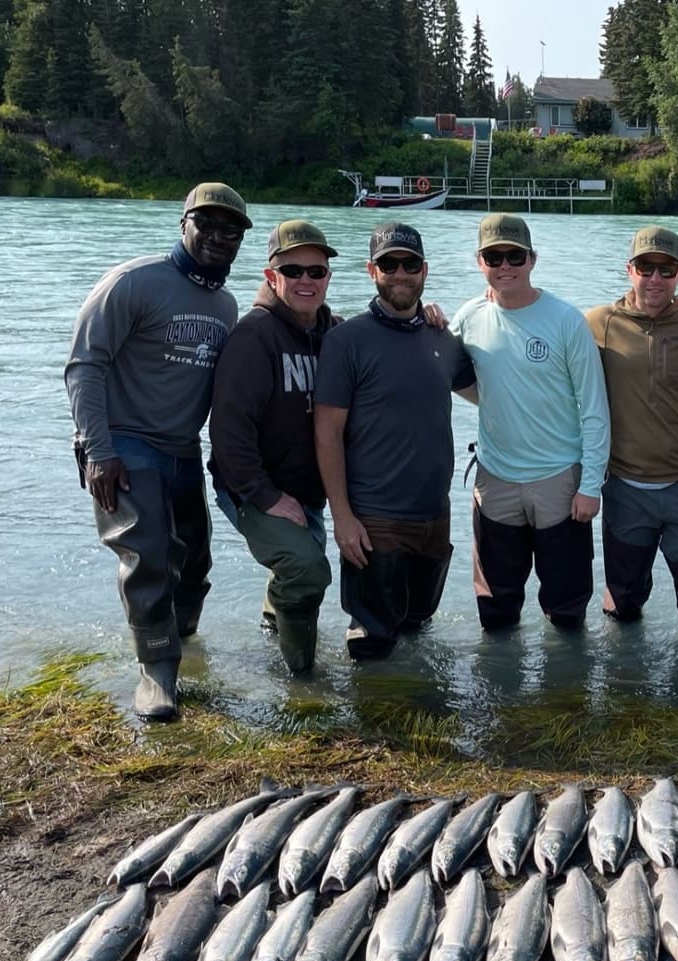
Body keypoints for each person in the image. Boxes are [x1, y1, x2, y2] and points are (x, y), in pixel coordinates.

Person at [64, 181, 250, 721]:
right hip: (122, 442)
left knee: (194, 560)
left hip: (182, 447)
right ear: (183, 225)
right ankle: (157, 671)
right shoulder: (134, 282)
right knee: (147, 556)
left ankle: (183, 640)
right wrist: (97, 450)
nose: (218, 236)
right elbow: (83, 365)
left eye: (230, 229)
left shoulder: (225, 303)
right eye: (207, 224)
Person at [312, 222, 475, 661]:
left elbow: (490, 386)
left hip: (435, 516)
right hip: (375, 520)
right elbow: (326, 433)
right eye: (389, 264)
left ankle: (420, 725)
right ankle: (370, 728)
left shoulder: (442, 336)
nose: (400, 273)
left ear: (425, 270)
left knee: (418, 630)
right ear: (372, 270)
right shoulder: (346, 341)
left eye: (409, 264)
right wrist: (342, 517)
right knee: (372, 643)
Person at [452, 214, 610, 630]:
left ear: (532, 259)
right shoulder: (468, 317)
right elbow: (442, 369)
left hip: (559, 481)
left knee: (567, 609)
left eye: (514, 256)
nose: (504, 266)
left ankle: (565, 690)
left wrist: (591, 485)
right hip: (495, 479)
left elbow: (594, 409)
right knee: (496, 612)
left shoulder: (565, 319)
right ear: (479, 261)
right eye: (494, 256)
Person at [209, 219, 341, 674]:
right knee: (307, 569)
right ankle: (302, 677)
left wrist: (428, 316)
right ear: (271, 277)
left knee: (299, 573)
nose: (306, 280)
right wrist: (265, 496)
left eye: (316, 271)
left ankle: (271, 629)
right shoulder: (253, 338)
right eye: (293, 271)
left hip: (306, 491)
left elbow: (386, 331)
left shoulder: (333, 333)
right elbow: (228, 431)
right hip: (250, 485)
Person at [585, 226, 678, 633]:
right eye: (646, 267)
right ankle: (625, 692)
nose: (655, 279)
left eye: (666, 269)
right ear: (629, 269)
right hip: (626, 490)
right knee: (622, 607)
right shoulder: (597, 323)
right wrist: (496, 301)